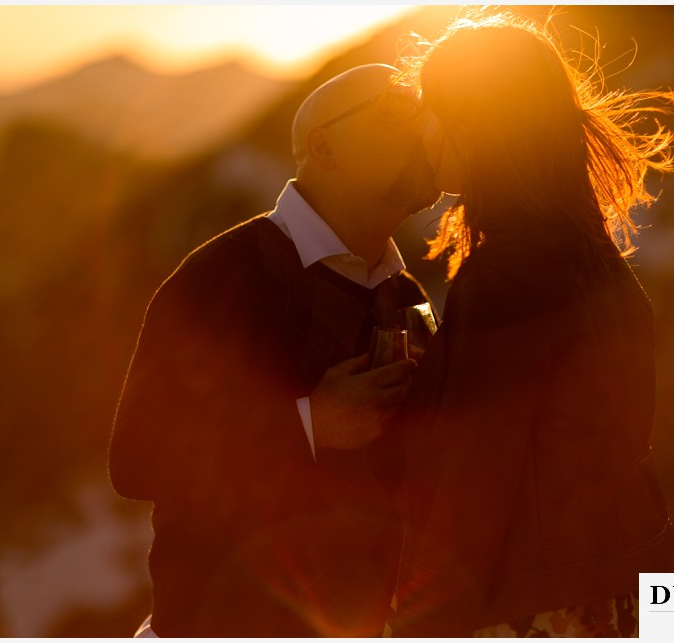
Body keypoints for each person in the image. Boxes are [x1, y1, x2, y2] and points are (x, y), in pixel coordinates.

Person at [109, 64, 441, 637]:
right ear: (324, 147)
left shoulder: (403, 293)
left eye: (426, 115)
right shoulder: (222, 276)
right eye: (396, 116)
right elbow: (138, 459)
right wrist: (315, 423)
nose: (425, 131)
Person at [387, 11, 674, 637]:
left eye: (432, 108)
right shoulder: (590, 258)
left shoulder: (504, 279)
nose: (423, 131)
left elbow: (471, 484)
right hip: (622, 590)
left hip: (542, 606)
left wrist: (421, 622)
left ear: (475, 122)